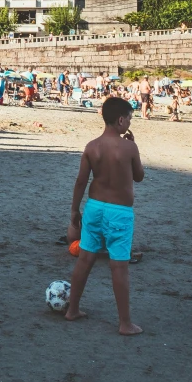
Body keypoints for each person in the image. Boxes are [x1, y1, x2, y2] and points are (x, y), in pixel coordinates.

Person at [65, 97, 144, 335]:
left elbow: (81, 181)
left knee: (85, 259)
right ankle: (125, 323)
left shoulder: (92, 146)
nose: (130, 122)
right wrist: (133, 146)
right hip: (119, 212)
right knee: (119, 267)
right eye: (129, 118)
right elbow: (138, 176)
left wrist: (74, 210)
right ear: (121, 120)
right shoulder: (129, 147)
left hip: (94, 208)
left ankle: (73, 309)